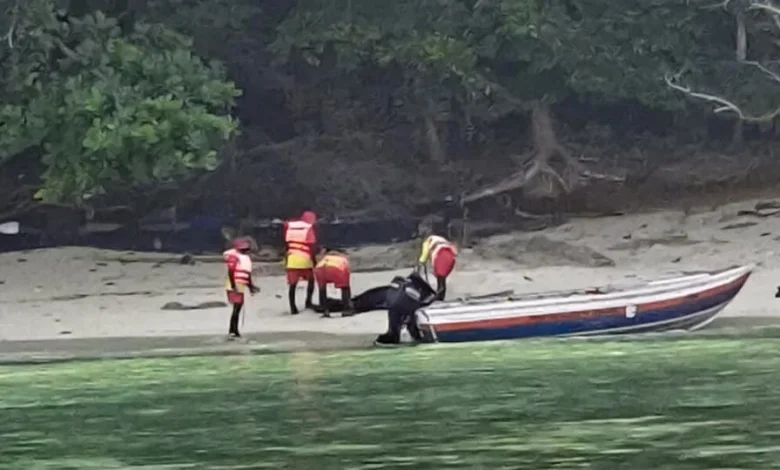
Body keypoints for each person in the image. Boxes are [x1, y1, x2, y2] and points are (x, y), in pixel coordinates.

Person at [374, 271, 437, 346]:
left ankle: (394, 338)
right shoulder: (413, 292)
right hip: (402, 304)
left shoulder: (405, 286)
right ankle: (416, 340)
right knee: (407, 326)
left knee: (396, 327)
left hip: (396, 304)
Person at [223, 238, 259, 338]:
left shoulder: (245, 259)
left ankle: (234, 330)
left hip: (240, 285)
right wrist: (234, 286)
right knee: (236, 308)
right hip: (234, 285)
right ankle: (233, 330)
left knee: (237, 309)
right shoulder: (235, 257)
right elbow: (231, 272)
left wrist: (251, 287)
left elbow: (247, 276)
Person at [284, 210, 318, 314]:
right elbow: (312, 246)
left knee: (293, 285)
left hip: (292, 259)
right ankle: (308, 302)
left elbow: (287, 244)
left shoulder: (290, 227)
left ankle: (293, 307)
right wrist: (314, 261)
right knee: (311, 281)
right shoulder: (309, 228)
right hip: (305, 258)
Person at [314, 247, 354, 318]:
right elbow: (347, 273)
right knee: (345, 288)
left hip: (320, 268)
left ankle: (325, 311)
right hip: (337, 269)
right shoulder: (342, 259)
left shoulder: (325, 258)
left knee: (322, 289)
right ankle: (347, 310)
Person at [416, 232, 458, 301]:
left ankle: (439, 297)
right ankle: (441, 296)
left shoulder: (427, 241)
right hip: (450, 256)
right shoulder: (438, 239)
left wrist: (420, 263)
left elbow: (425, 254)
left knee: (440, 279)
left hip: (441, 256)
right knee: (442, 279)